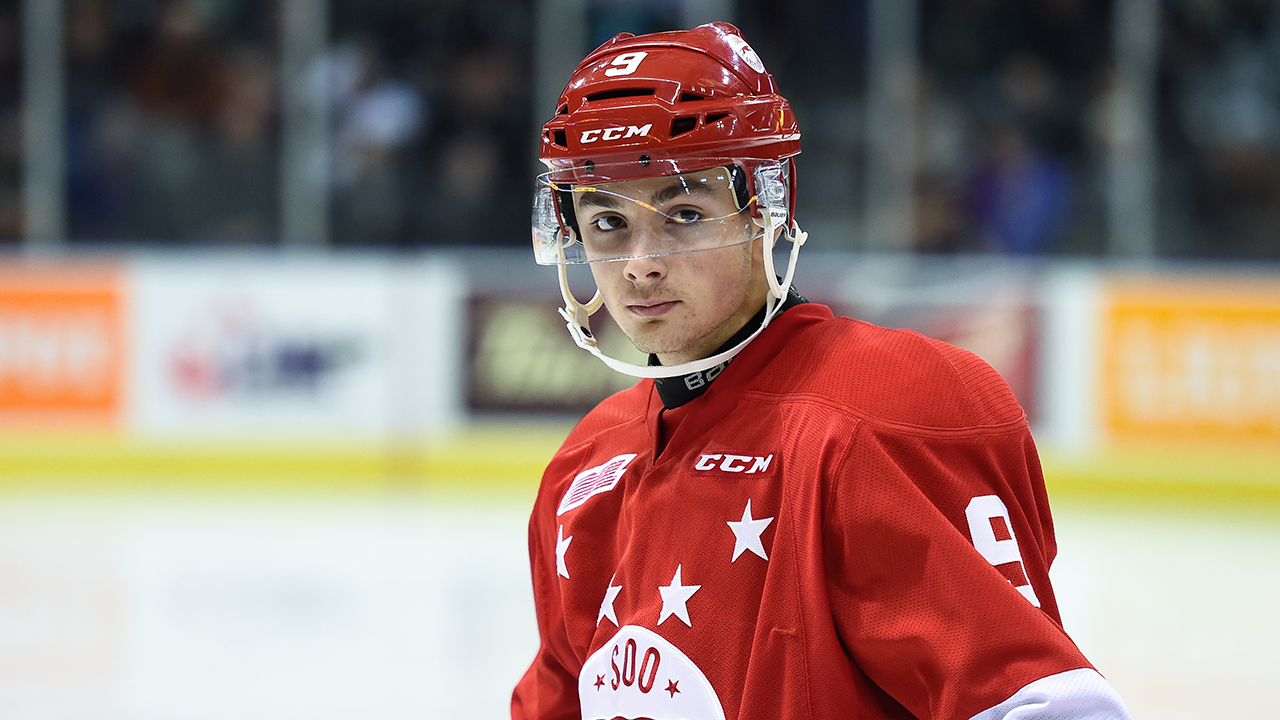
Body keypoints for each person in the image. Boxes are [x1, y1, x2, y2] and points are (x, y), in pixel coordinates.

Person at [512, 23, 1131, 720]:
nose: (640, 263)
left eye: (684, 213)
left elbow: (1045, 707)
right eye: (607, 224)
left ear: (767, 207)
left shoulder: (878, 412)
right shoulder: (586, 471)